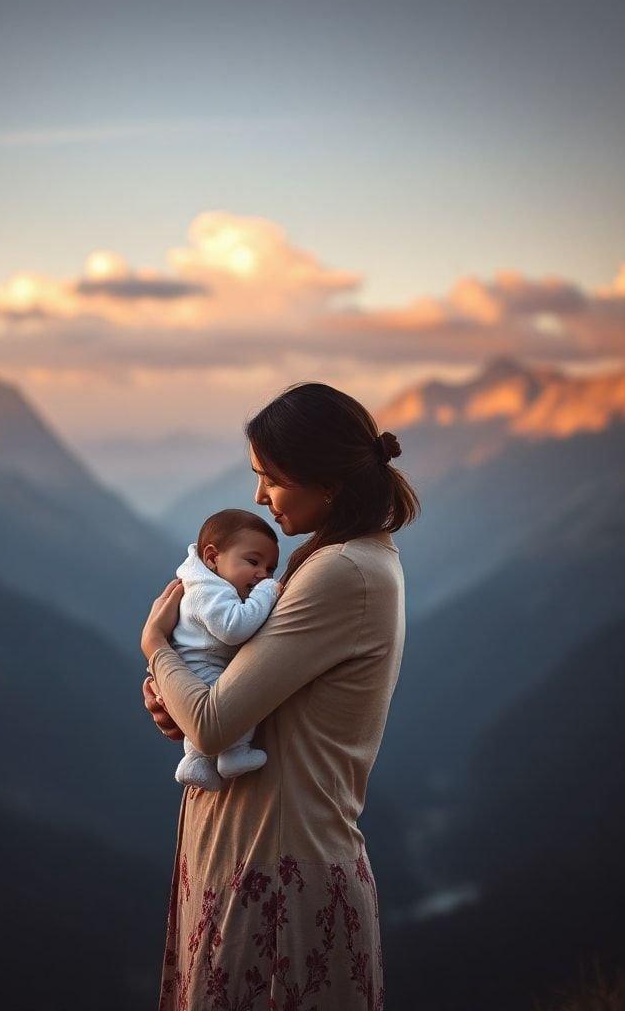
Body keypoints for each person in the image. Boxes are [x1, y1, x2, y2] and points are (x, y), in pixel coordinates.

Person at [140, 381, 419, 1011]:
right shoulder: (338, 562)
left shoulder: (339, 572)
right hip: (256, 860)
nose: (259, 497)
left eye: (270, 477)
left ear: (326, 479)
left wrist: (156, 645)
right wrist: (171, 697)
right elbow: (236, 698)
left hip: (274, 880)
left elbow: (213, 724)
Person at [170, 509, 281, 792]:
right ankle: (235, 752)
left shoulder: (206, 585)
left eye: (270, 570)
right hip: (202, 668)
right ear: (212, 558)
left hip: (193, 668)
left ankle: (196, 761)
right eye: (253, 561)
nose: (262, 575)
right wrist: (267, 592)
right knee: (238, 697)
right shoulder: (210, 591)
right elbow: (234, 628)